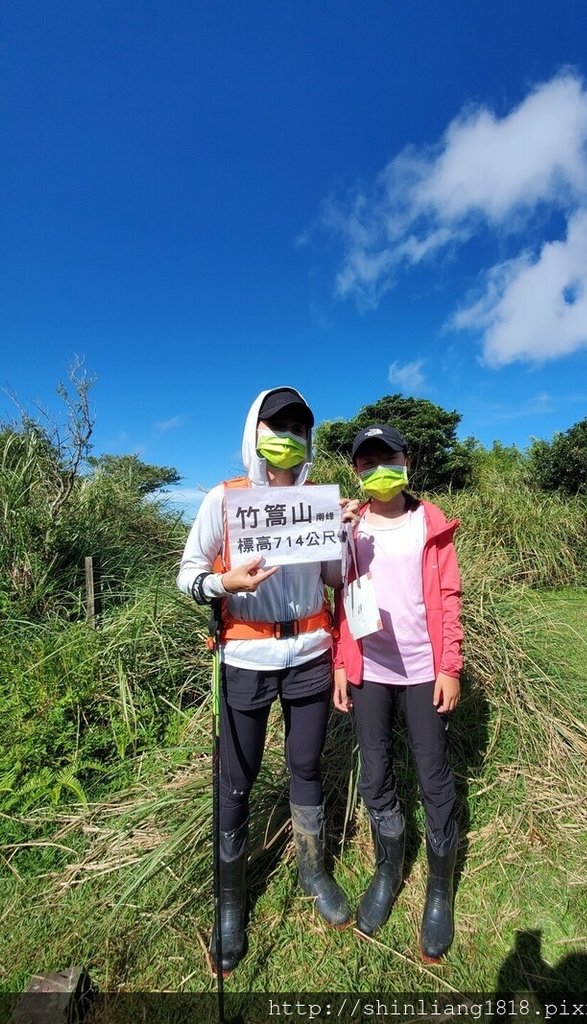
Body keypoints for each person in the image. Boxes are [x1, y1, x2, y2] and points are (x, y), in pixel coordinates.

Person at [177, 386, 351, 975]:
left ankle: (313, 870)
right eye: (277, 426)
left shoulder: (315, 503)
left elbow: (333, 576)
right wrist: (226, 584)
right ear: (254, 433)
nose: (289, 437)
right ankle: (231, 904)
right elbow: (189, 574)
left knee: (305, 764)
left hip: (309, 653)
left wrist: (343, 536)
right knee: (236, 777)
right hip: (246, 657)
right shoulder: (225, 502)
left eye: (299, 428)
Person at [333, 423, 463, 963]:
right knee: (377, 770)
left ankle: (439, 889)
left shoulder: (429, 524)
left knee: (433, 772)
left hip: (423, 668)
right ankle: (387, 870)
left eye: (388, 457)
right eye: (367, 461)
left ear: (407, 461)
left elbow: (450, 596)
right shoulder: (351, 524)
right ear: (356, 470)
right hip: (371, 669)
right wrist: (342, 662)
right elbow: (338, 592)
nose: (377, 468)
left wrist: (450, 666)